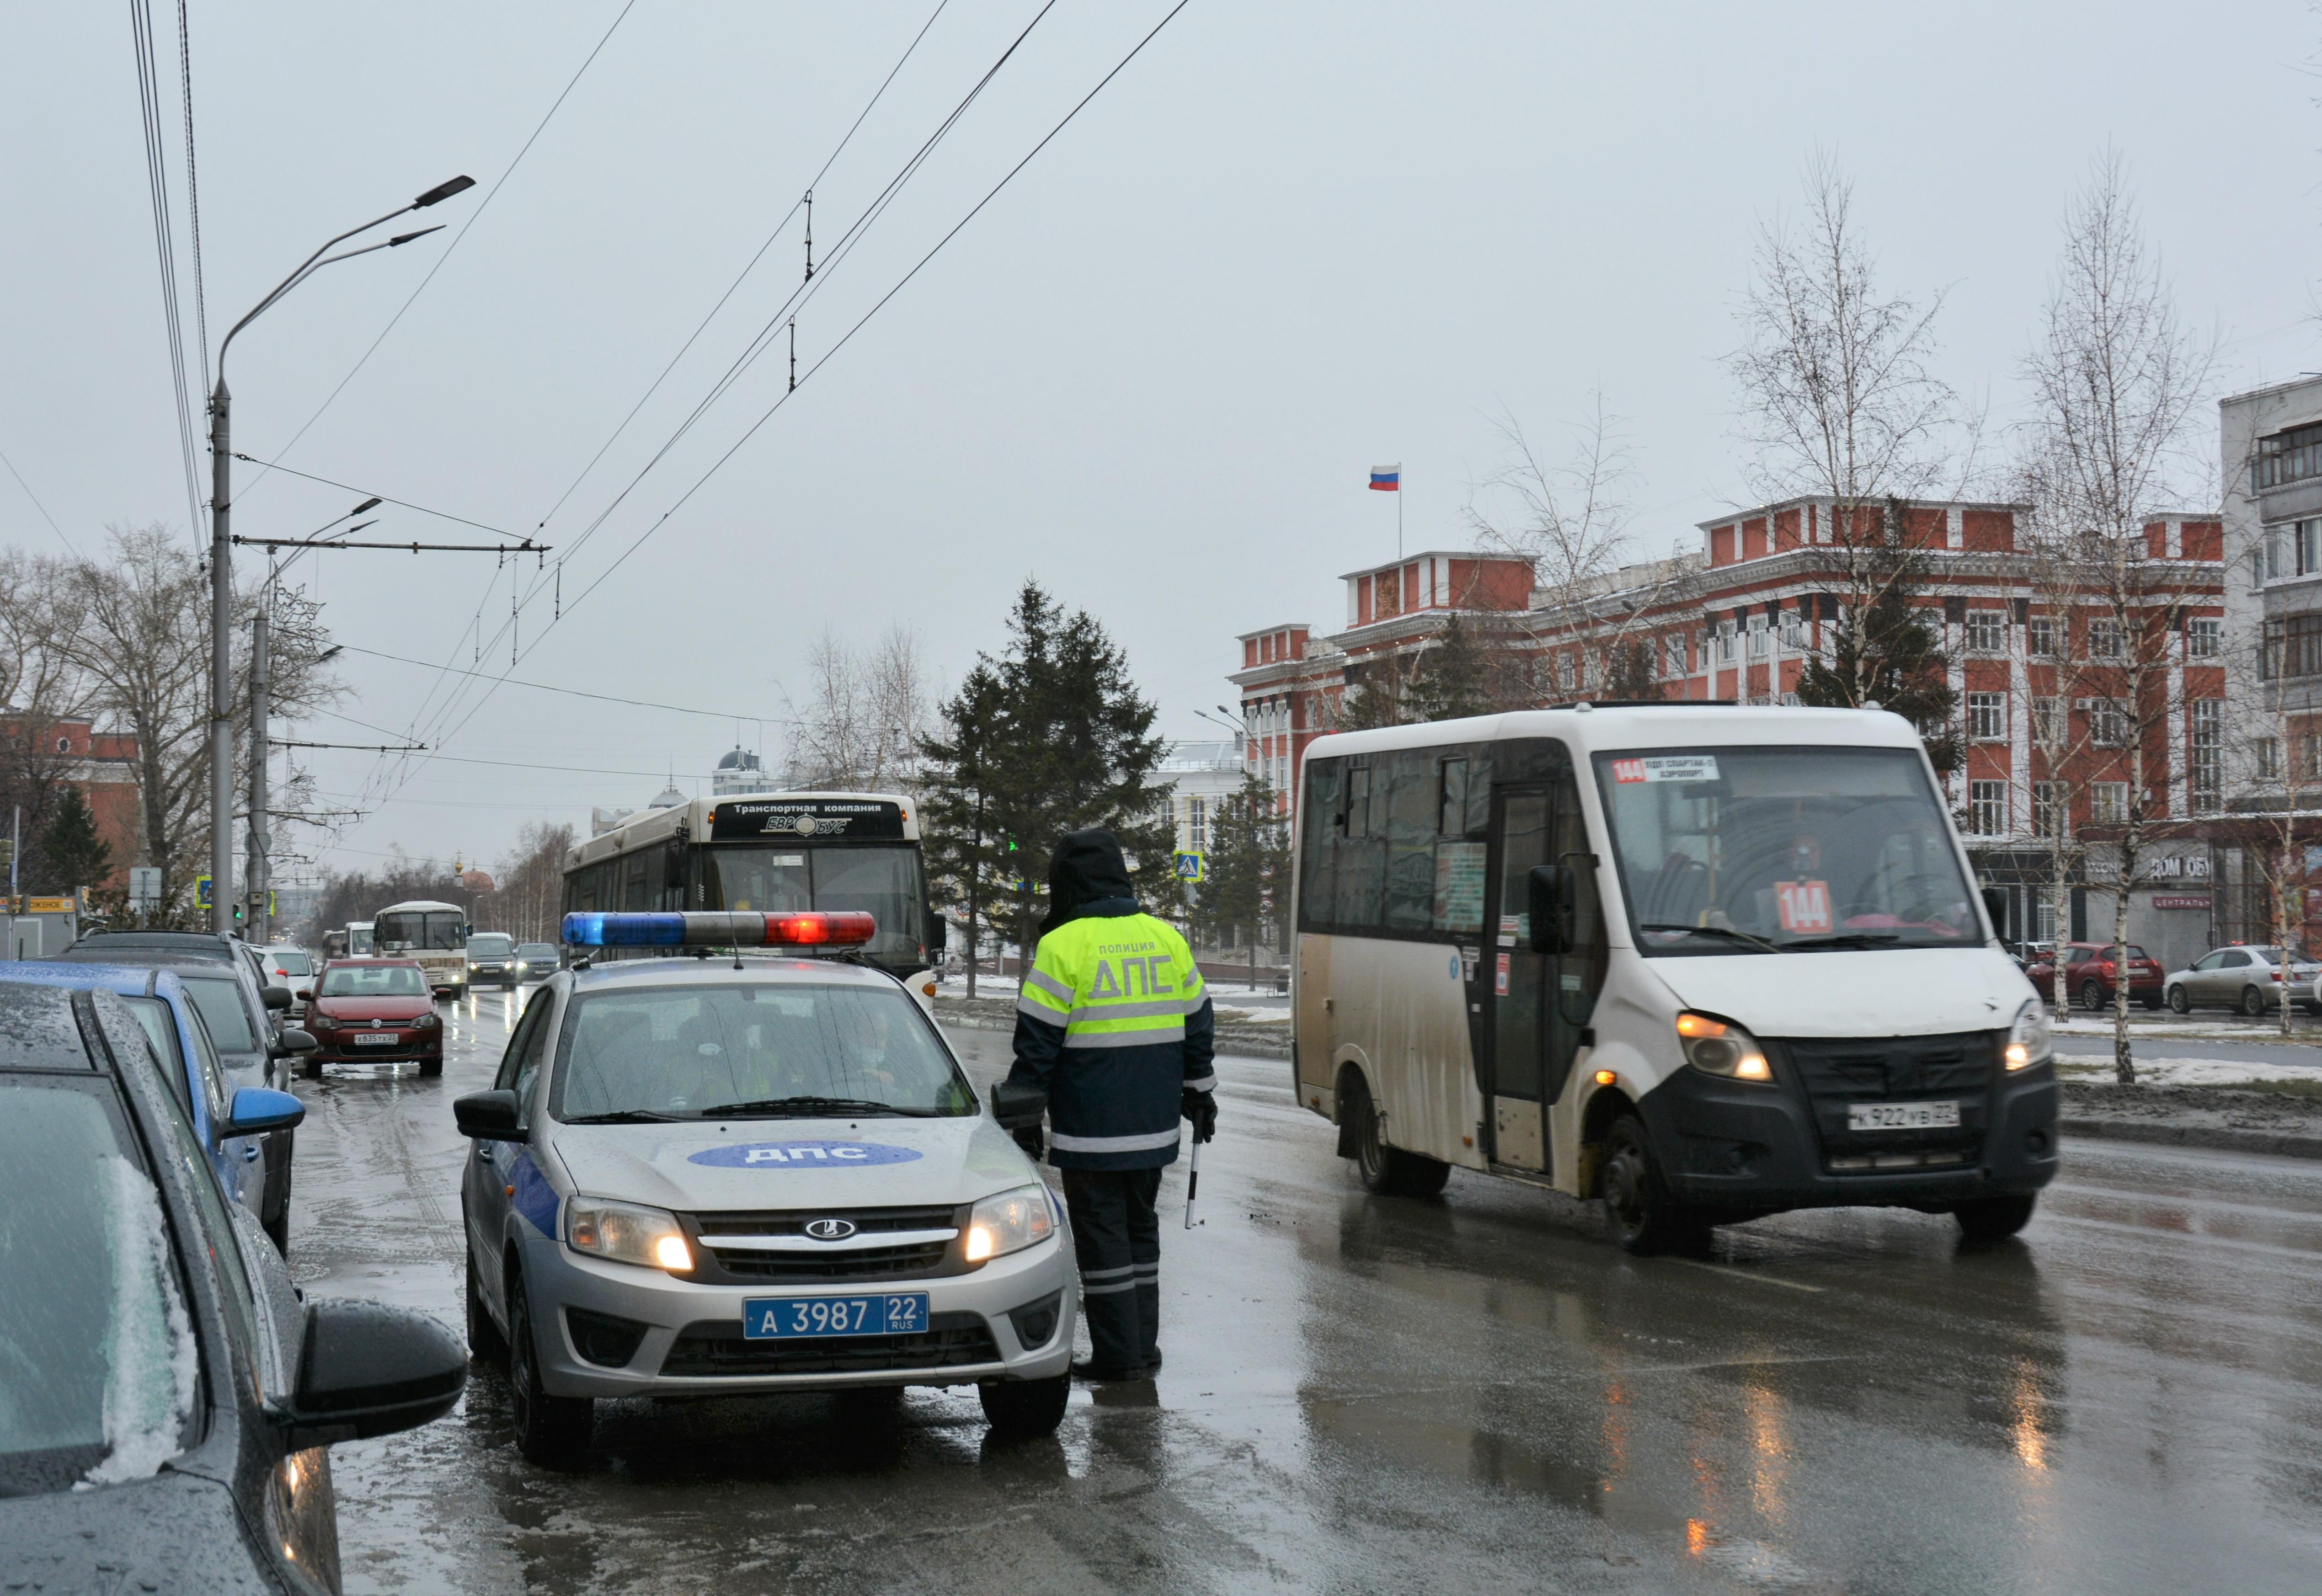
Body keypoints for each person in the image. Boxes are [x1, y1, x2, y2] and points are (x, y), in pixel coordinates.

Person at [1004, 828, 1217, 1382]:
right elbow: (1199, 1020)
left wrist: (1024, 1112)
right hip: (1153, 1128)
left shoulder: (1064, 945)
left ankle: (1119, 1357)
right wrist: (1201, 1090)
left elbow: (1037, 1044)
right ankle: (1143, 1348)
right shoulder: (1166, 937)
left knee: (1104, 1246)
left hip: (1091, 1132)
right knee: (1142, 1235)